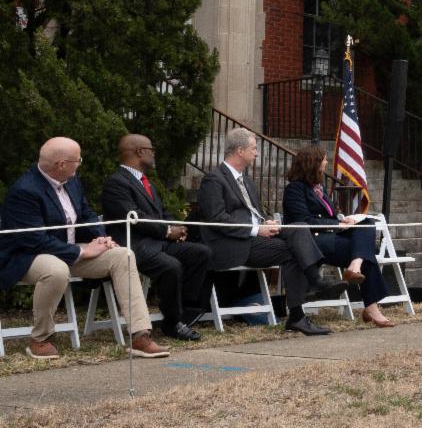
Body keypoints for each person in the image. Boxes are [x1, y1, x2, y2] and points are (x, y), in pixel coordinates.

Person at [0, 137, 170, 359]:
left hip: (67, 250)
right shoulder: (24, 190)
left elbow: (87, 213)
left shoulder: (71, 180)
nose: (80, 164)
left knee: (123, 255)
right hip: (28, 255)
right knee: (56, 269)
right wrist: (81, 252)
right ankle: (40, 339)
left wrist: (102, 238)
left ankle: (140, 335)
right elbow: (34, 240)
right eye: (78, 160)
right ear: (61, 164)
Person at [195, 128, 347, 336]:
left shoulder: (247, 181)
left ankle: (308, 297)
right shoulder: (213, 180)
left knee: (298, 228)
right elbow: (218, 220)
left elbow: (252, 213)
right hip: (231, 243)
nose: (257, 153)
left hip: (253, 238)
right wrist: (257, 229)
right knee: (295, 250)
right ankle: (307, 298)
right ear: (240, 151)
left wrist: (264, 221)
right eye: (253, 148)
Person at [101, 134, 212, 341]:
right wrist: (167, 231)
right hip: (137, 245)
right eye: (151, 150)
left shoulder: (146, 182)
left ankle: (185, 312)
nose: (154, 154)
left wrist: (176, 227)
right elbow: (135, 217)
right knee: (171, 266)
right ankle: (172, 322)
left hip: (158, 243)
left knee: (200, 253)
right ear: (140, 151)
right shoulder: (116, 183)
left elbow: (161, 212)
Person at [282, 145, 393, 327]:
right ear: (313, 163)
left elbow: (330, 217)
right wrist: (337, 224)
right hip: (312, 241)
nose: (326, 163)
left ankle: (355, 265)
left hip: (331, 235)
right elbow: (304, 221)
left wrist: (345, 221)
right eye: (324, 159)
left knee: (366, 223)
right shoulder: (294, 189)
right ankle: (371, 307)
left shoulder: (319, 188)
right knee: (365, 252)